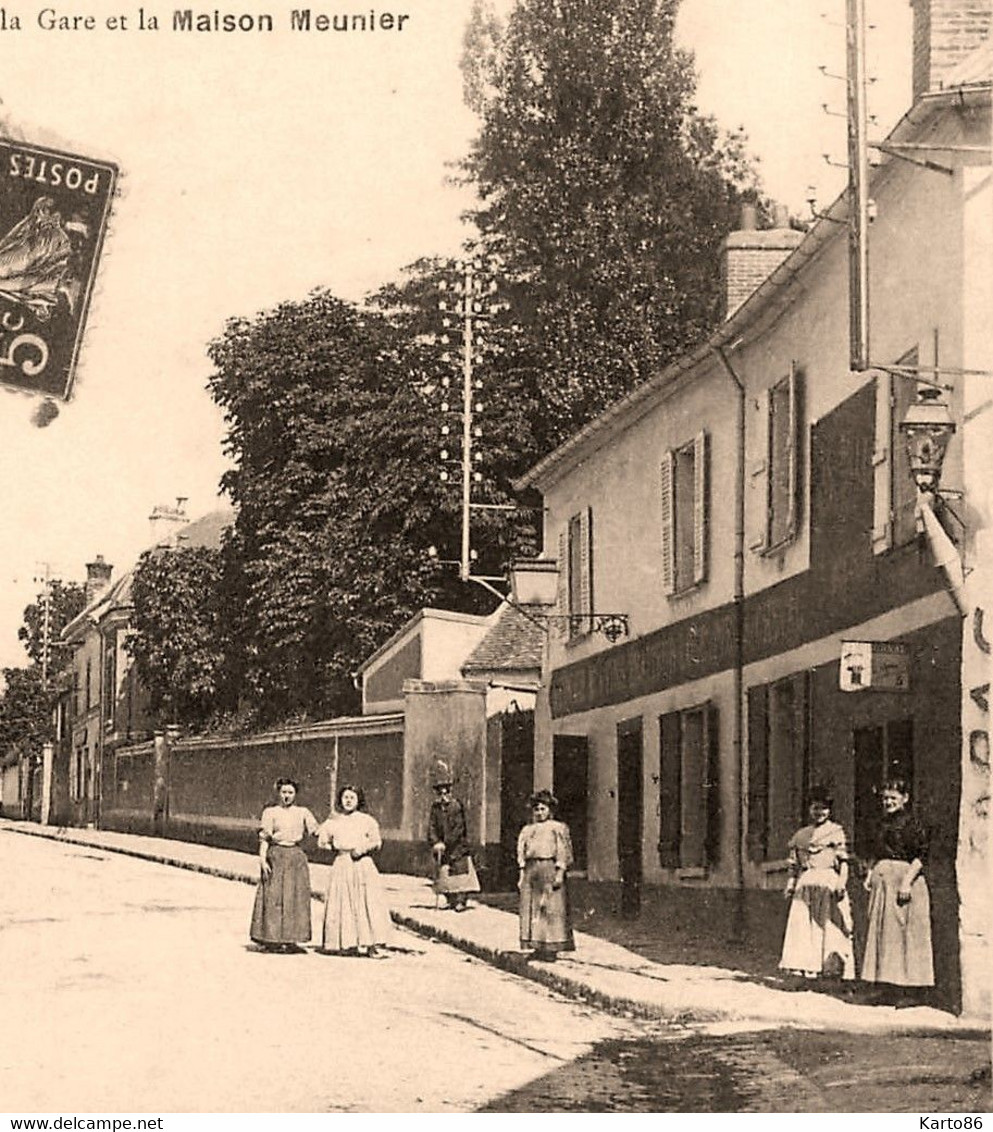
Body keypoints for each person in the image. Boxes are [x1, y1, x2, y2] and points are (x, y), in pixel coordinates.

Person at [862, 777, 934, 997]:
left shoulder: (912, 823)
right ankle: (887, 988)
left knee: (906, 935)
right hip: (883, 883)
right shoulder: (881, 823)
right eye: (885, 798)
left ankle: (910, 991)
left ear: (905, 798)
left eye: (893, 798)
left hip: (904, 882)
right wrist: (869, 873)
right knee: (885, 936)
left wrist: (906, 883)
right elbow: (874, 852)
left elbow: (921, 856)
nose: (888, 802)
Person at [778, 788, 855, 981]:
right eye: (815, 808)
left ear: (829, 810)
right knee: (804, 926)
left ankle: (831, 970)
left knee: (829, 926)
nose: (819, 813)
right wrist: (790, 883)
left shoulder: (836, 832)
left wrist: (841, 882)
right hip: (806, 883)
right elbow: (794, 865)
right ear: (809, 810)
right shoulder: (802, 834)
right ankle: (805, 968)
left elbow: (843, 862)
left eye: (823, 809)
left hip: (828, 882)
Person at [317, 784, 393, 957]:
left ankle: (372, 945)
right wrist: (335, 848)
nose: (348, 801)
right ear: (340, 799)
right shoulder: (333, 821)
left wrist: (362, 848)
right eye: (345, 797)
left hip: (363, 865)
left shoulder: (367, 820)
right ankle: (347, 943)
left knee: (367, 903)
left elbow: (376, 841)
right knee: (344, 903)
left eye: (352, 797)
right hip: (342, 865)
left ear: (358, 800)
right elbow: (322, 842)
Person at [250, 777, 319, 952]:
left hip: (295, 857)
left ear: (295, 794)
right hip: (276, 855)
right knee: (273, 898)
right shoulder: (270, 812)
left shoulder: (303, 812)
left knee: (294, 897)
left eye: (290, 792)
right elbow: (265, 838)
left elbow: (316, 831)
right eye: (284, 792)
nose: (287, 796)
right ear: (278, 793)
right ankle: (271, 938)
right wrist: (262, 859)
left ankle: (291, 939)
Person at [517, 789, 574, 961]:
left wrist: (560, 872)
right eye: (537, 809)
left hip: (549, 868)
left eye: (543, 809)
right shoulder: (527, 830)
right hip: (531, 870)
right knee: (533, 909)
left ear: (550, 810)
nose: (540, 813)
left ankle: (551, 947)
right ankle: (537, 945)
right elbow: (522, 852)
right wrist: (521, 875)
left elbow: (563, 851)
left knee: (550, 908)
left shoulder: (557, 828)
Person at [428, 761, 480, 912]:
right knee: (444, 875)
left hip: (457, 847)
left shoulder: (456, 806)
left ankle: (461, 901)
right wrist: (435, 841)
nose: (444, 797)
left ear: (450, 793)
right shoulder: (435, 808)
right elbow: (431, 826)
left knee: (461, 875)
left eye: (446, 793)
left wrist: (446, 842)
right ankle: (449, 899)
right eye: (440, 794)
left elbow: (459, 828)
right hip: (442, 848)